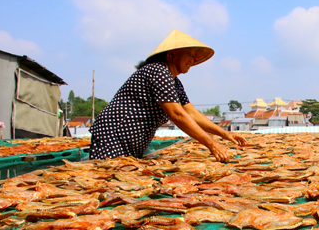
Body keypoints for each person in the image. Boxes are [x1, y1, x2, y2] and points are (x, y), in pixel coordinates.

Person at [89, 29, 246, 162]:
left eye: (194, 56)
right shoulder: (159, 71)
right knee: (108, 180)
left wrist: (225, 134)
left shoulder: (175, 82)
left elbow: (191, 113)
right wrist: (212, 144)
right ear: (172, 56)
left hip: (131, 141)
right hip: (114, 136)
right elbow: (177, 115)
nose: (193, 59)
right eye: (189, 54)